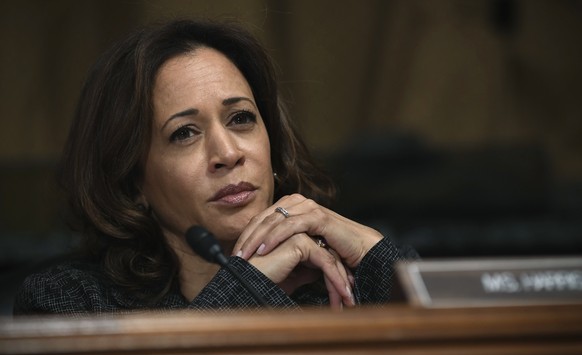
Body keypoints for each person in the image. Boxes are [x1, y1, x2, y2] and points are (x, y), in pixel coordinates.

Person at [13, 18, 418, 316]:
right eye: (184, 133)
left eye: (240, 118)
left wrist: (373, 253)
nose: (227, 153)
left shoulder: (350, 281)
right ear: (132, 181)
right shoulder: (74, 302)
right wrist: (246, 289)